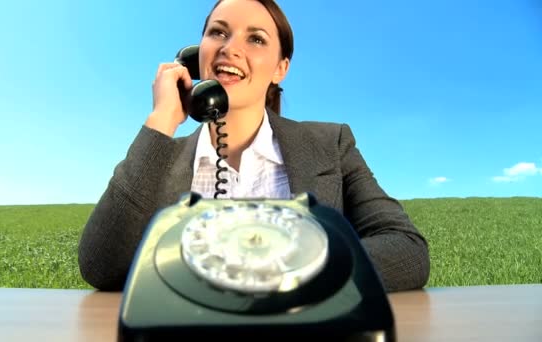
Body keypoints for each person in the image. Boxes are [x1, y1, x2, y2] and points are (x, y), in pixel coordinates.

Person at [78, 0, 430, 293]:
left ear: (281, 68)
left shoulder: (331, 145)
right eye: (218, 32)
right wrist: (162, 119)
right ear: (194, 56)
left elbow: (407, 250)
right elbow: (100, 265)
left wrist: (297, 270)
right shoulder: (158, 157)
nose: (230, 48)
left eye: (256, 39)